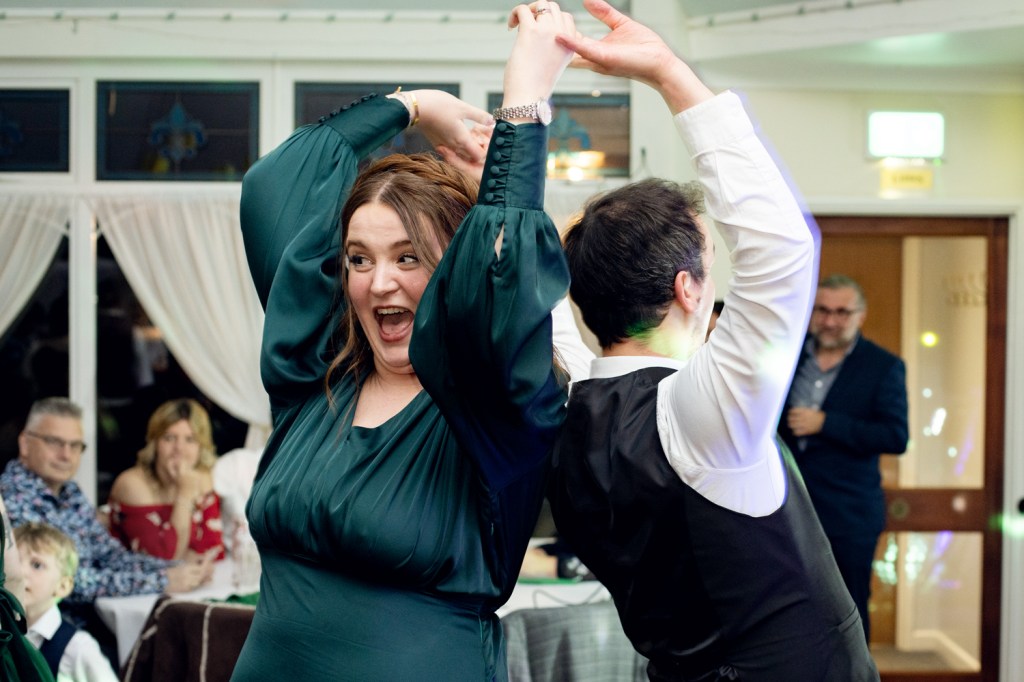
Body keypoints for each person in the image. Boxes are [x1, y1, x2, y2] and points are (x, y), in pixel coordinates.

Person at [231, 4, 581, 680]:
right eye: (359, 259)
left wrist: (524, 101)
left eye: (408, 257)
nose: (378, 282)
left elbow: (506, 286)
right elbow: (274, 184)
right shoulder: (313, 381)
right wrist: (420, 106)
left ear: (455, 272)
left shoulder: (489, 407)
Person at [545, 1, 879, 679]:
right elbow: (782, 249)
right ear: (688, 290)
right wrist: (669, 73)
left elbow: (555, 318)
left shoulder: (571, 412)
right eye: (710, 262)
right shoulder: (700, 413)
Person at [778, 273, 909, 641]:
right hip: (786, 511)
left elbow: (895, 436)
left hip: (850, 516)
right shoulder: (787, 356)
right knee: (788, 611)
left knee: (847, 612)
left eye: (842, 312)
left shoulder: (883, 366)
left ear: (860, 316)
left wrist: (826, 423)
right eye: (822, 310)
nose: (831, 321)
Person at [0, 397, 216, 601]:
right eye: (55, 442)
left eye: (75, 445)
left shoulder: (69, 492)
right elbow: (61, 582)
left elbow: (110, 556)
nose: (66, 455)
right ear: (25, 444)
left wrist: (178, 568)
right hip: (49, 625)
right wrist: (161, 580)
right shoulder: (12, 498)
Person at [107, 398, 225, 561]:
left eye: (190, 439)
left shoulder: (202, 479)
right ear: (155, 444)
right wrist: (185, 493)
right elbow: (163, 560)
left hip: (191, 578)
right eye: (169, 438)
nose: (179, 449)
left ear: (201, 447)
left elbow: (213, 551)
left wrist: (191, 560)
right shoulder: (131, 484)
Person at [15, 522, 118, 682]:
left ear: (63, 586)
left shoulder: (77, 647)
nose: (19, 572)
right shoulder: (6, 632)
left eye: (37, 565)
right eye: (14, 562)